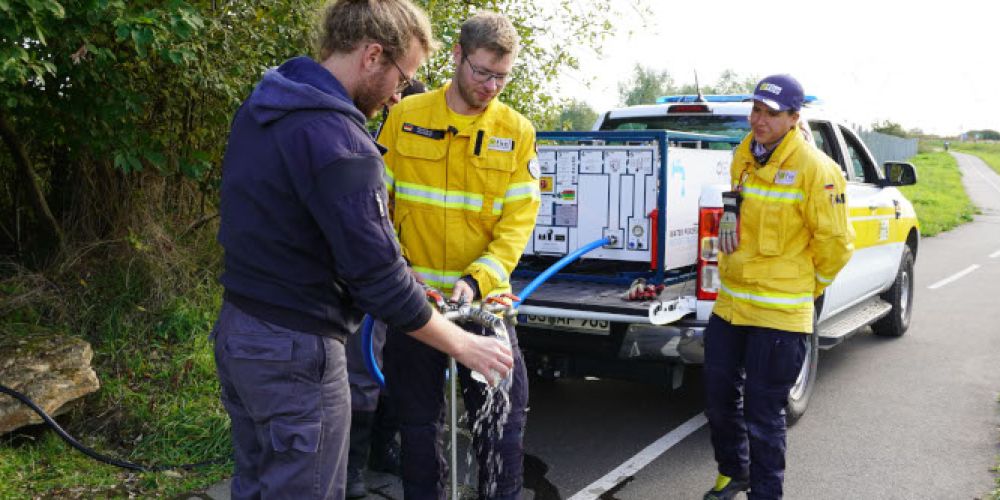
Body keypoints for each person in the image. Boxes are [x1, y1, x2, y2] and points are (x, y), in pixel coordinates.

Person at [211, 1, 514, 498]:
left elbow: (298, 226)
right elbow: (379, 282)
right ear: (373, 55)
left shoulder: (268, 104)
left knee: (258, 486)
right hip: (297, 352)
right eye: (403, 76)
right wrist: (465, 346)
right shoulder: (340, 140)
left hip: (241, 332)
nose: (399, 95)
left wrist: (392, 269)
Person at [378, 12, 541, 500]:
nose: (491, 85)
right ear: (456, 55)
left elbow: (518, 224)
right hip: (417, 308)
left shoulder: (517, 131)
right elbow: (375, 205)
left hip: (485, 310)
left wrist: (480, 278)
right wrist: (395, 268)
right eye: (481, 72)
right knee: (419, 432)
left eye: (502, 76)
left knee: (503, 431)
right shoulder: (405, 117)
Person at [702, 74, 855, 500]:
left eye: (771, 113)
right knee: (717, 400)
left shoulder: (817, 170)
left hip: (781, 315)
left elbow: (837, 247)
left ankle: (766, 494)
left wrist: (809, 287)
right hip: (731, 305)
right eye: (756, 110)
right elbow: (738, 204)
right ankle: (734, 472)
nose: (760, 120)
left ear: (793, 117)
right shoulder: (743, 154)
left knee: (763, 415)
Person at [345, 78, 428, 499]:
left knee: (397, 373)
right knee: (363, 369)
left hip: (415, 284)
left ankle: (382, 449)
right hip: (377, 283)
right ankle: (352, 469)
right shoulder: (370, 150)